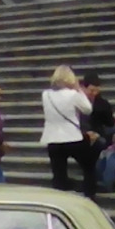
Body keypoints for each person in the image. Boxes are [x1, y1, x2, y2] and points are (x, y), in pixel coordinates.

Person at [40, 65, 94, 194]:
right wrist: (79, 90)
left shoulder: (45, 94)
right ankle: (89, 194)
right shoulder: (73, 94)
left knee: (58, 173)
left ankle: (60, 198)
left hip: (52, 138)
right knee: (88, 166)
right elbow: (88, 109)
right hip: (72, 136)